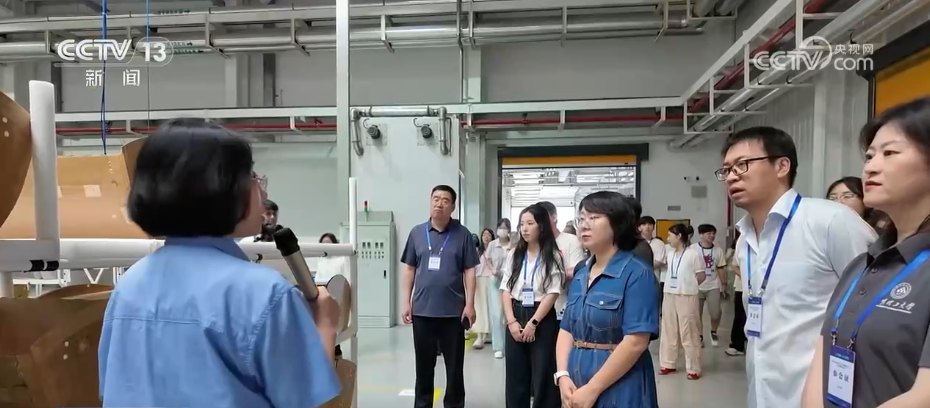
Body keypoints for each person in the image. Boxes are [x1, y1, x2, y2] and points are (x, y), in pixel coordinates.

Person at [98, 118, 342, 408]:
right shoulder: (265, 295)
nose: (263, 193)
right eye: (252, 177)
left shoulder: (127, 287)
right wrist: (325, 325)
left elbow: (113, 388)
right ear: (219, 188)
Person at [716, 126, 876, 408]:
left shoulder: (830, 222)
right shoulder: (745, 240)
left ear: (782, 166)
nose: (731, 176)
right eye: (726, 170)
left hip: (820, 394)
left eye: (742, 165)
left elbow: (875, 308)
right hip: (762, 392)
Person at [801, 97, 930, 408]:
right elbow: (823, 357)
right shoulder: (861, 265)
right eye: (869, 155)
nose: (870, 166)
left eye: (890, 153)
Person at [555, 191, 659, 408]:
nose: (584, 225)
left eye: (593, 217)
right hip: (576, 384)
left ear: (618, 223)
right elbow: (566, 329)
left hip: (621, 386)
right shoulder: (582, 274)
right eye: (581, 218)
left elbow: (636, 341)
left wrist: (593, 389)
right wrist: (563, 375)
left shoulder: (637, 274)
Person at [400, 185, 479, 408]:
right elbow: (409, 269)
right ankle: (422, 404)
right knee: (423, 366)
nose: (439, 203)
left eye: (445, 200)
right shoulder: (417, 233)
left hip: (453, 313)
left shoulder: (462, 234)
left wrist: (470, 304)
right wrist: (405, 302)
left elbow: (470, 271)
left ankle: (454, 404)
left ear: (452, 206)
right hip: (422, 311)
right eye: (435, 198)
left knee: (454, 368)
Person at [499, 204, 565, 408]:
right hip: (516, 312)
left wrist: (533, 323)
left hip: (541, 316)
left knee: (543, 373)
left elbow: (553, 292)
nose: (524, 229)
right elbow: (505, 289)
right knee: (515, 375)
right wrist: (511, 322)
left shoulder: (552, 255)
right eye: (522, 224)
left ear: (541, 226)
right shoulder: (514, 254)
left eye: (530, 223)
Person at [658, 223, 705, 380]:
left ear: (679, 236)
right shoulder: (670, 254)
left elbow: (701, 275)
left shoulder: (693, 254)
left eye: (670, 235)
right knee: (668, 329)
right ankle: (668, 363)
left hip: (686, 295)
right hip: (669, 294)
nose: (668, 239)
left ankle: (693, 367)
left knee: (689, 331)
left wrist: (690, 285)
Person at [537, 201, 586, 321]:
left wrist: (550, 276)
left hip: (563, 306)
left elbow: (575, 271)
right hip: (538, 307)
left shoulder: (571, 241)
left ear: (553, 217)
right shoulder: (536, 244)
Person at [692, 224, 727, 348]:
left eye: (713, 233)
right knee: (696, 314)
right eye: (709, 233)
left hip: (713, 286)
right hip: (696, 287)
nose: (712, 236)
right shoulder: (693, 249)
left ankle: (713, 331)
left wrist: (724, 285)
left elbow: (721, 268)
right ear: (701, 235)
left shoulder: (718, 250)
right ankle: (699, 336)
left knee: (716, 312)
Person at [486, 218, 514, 359]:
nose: (502, 230)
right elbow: (487, 259)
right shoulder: (492, 244)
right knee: (497, 315)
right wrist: (492, 269)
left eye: (505, 227)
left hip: (510, 282)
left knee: (508, 315)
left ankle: (510, 345)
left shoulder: (513, 244)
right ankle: (498, 347)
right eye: (500, 227)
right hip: (495, 281)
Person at [472, 228, 496, 349]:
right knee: (480, 308)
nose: (486, 237)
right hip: (479, 280)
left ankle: (490, 334)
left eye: (488, 235)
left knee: (491, 307)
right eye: (484, 235)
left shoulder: (495, 250)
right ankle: (480, 336)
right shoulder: (477, 251)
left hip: (491, 280)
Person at [725, 231, 747, 357]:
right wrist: (747, 277)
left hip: (762, 288)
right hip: (742, 287)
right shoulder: (742, 240)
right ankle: (737, 345)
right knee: (740, 316)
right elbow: (734, 265)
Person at [638, 216, 667, 303]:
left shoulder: (659, 243)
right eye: (644, 224)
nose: (647, 227)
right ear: (639, 227)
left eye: (650, 224)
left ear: (653, 227)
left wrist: (640, 267)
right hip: (635, 280)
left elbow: (660, 261)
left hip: (653, 280)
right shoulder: (633, 243)